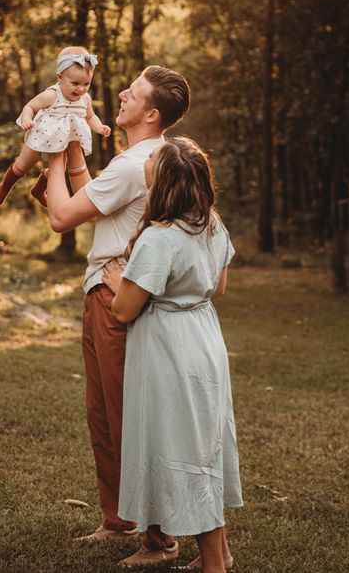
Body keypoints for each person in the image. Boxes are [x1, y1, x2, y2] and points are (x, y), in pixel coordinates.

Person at [46, 66, 191, 558]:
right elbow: (95, 196)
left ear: (152, 114)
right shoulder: (139, 159)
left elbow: (62, 217)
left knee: (127, 415)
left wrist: (47, 153)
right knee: (104, 413)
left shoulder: (137, 164)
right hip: (105, 290)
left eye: (135, 92)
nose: (123, 93)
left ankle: (159, 537)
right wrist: (69, 142)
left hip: (119, 297)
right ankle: (118, 518)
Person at [102, 137, 243, 572]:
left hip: (167, 347)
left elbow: (125, 309)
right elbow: (217, 288)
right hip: (204, 338)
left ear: (162, 181)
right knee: (206, 443)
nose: (146, 162)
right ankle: (217, 553)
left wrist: (114, 281)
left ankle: (214, 566)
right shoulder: (212, 224)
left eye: (152, 160)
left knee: (182, 447)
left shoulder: (159, 239)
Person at [0, 45, 110, 207]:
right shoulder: (52, 95)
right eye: (75, 83)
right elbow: (30, 106)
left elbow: (90, 116)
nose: (81, 89)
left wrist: (100, 127)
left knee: (57, 171)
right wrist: (27, 119)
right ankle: (5, 186)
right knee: (22, 166)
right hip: (41, 135)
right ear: (60, 77)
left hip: (65, 139)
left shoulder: (85, 99)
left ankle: (39, 190)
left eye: (86, 83)